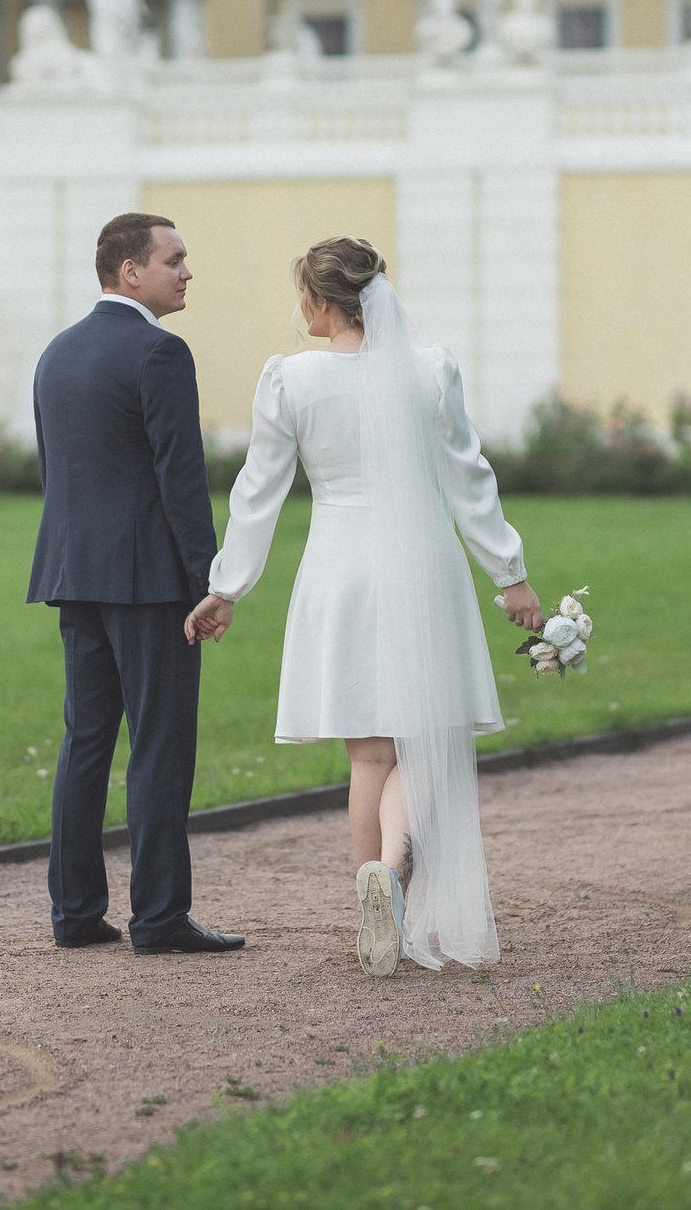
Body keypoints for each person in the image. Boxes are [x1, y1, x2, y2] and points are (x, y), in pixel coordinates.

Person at [188, 238, 546, 977]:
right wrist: (509, 572)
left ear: (322, 302)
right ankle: (390, 869)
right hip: (424, 563)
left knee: (369, 752)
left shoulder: (289, 379)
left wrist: (229, 586)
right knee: (424, 735)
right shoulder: (430, 369)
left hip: (341, 570)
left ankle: (371, 905)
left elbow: (258, 492)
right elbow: (469, 479)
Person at [29, 213, 244, 956]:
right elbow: (181, 480)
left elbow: (54, 473)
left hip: (72, 571)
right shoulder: (159, 352)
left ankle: (75, 912)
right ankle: (158, 918)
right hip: (150, 581)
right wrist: (207, 582)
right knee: (159, 744)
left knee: (85, 740)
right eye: (174, 259)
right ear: (131, 271)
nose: (186, 272)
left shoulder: (55, 354)